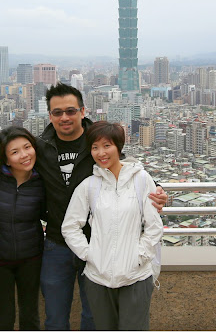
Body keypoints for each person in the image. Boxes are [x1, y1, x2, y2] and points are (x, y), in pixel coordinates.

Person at [34, 82, 167, 331]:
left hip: (102, 244)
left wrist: (156, 188)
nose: (64, 117)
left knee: (94, 318)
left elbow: (124, 168)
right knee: (54, 318)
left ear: (82, 111)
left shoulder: (96, 139)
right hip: (56, 242)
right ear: (50, 115)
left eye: (71, 111)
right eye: (57, 112)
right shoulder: (40, 146)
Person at [62, 121, 163, 330]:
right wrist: (90, 254)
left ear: (119, 146)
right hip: (98, 278)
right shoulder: (90, 185)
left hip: (136, 277)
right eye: (95, 147)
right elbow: (70, 226)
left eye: (107, 145)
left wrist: (140, 256)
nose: (101, 153)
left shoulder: (142, 180)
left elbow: (154, 226)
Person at [0, 126, 45, 330]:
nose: (24, 155)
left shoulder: (42, 180)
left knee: (30, 315)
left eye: (27, 147)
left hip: (31, 257)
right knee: (4, 318)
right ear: (6, 159)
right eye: (15, 152)